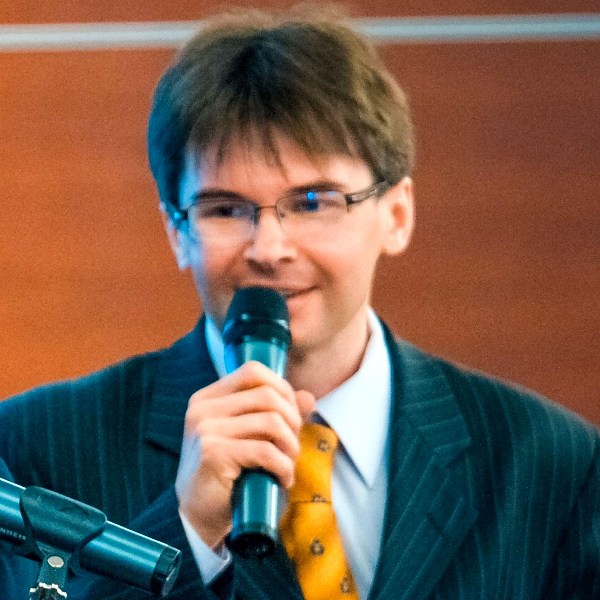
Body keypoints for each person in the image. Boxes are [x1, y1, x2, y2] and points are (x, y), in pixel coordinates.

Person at [0, 6, 598, 599]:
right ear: (177, 231)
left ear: (396, 215)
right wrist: (187, 530)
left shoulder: (550, 465)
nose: (269, 249)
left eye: (313, 203)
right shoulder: (37, 451)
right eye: (225, 209)